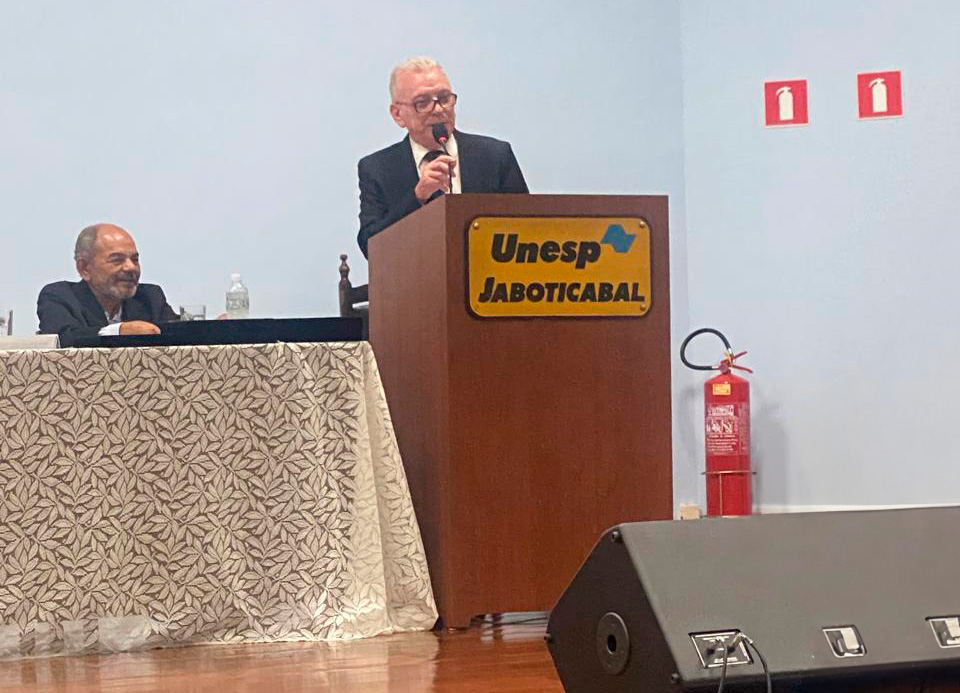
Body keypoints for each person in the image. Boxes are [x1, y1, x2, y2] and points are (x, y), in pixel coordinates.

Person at [357, 57, 528, 258]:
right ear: (397, 114)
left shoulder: (494, 156)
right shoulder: (377, 168)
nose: (438, 110)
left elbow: (528, 228)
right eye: (423, 103)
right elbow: (371, 246)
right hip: (415, 284)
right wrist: (418, 197)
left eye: (445, 99)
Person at [37, 223, 178, 347]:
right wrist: (118, 331)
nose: (131, 268)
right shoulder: (60, 296)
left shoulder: (150, 297)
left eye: (135, 260)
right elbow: (62, 339)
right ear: (84, 268)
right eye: (117, 260)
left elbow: (180, 335)